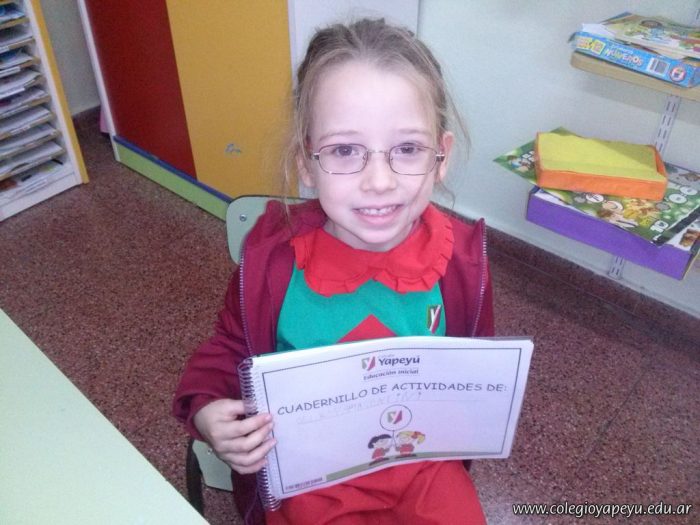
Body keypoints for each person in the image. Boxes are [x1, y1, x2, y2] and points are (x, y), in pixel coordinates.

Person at [173, 17, 494, 525]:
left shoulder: (459, 260)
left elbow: (472, 369)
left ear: (440, 157)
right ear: (306, 161)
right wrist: (209, 410)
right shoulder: (275, 262)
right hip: (311, 476)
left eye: (407, 149)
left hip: (421, 466)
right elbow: (230, 348)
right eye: (345, 150)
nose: (379, 181)